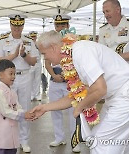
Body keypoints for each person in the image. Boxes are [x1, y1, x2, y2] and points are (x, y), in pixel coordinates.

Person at [30, 30, 129, 154]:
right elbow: (77, 96)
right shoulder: (73, 55)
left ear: (53, 47)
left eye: (44, 53)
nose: (45, 58)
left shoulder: (80, 52)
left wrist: (80, 107)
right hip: (120, 96)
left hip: (128, 95)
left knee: (100, 142)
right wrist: (45, 107)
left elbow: (99, 89)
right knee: (118, 144)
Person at [0, 14, 38, 153]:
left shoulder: (29, 41)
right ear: (10, 25)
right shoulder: (2, 41)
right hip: (7, 80)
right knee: (7, 109)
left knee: (24, 108)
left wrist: (24, 55)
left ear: (23, 26)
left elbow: (34, 62)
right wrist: (14, 55)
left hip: (24, 77)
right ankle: (9, 139)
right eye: (14, 25)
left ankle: (24, 141)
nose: (17, 28)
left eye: (19, 25)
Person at [44, 14, 79, 152]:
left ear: (68, 26)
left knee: (73, 112)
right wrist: (53, 75)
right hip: (55, 80)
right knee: (55, 110)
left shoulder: (73, 41)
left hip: (71, 82)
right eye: (57, 25)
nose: (59, 28)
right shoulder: (49, 42)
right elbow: (47, 62)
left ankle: (74, 140)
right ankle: (59, 137)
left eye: (62, 25)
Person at [0, 59, 34, 154]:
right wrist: (23, 115)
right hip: (0, 131)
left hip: (9, 129)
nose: (14, 77)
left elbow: (17, 106)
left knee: (10, 148)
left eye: (14, 74)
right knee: (0, 149)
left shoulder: (11, 91)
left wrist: (27, 114)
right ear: (0, 75)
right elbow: (5, 111)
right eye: (11, 74)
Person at [98, 0, 129, 75]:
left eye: (107, 11)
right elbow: (100, 53)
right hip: (110, 74)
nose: (105, 15)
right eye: (104, 12)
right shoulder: (103, 30)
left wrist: (114, 57)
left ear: (118, 10)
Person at [29, 31, 42, 101]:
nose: (33, 38)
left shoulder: (38, 44)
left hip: (38, 63)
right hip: (31, 64)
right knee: (30, 79)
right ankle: (31, 94)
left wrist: (36, 45)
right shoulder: (28, 44)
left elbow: (42, 51)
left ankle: (37, 94)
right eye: (32, 37)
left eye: (34, 36)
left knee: (37, 79)